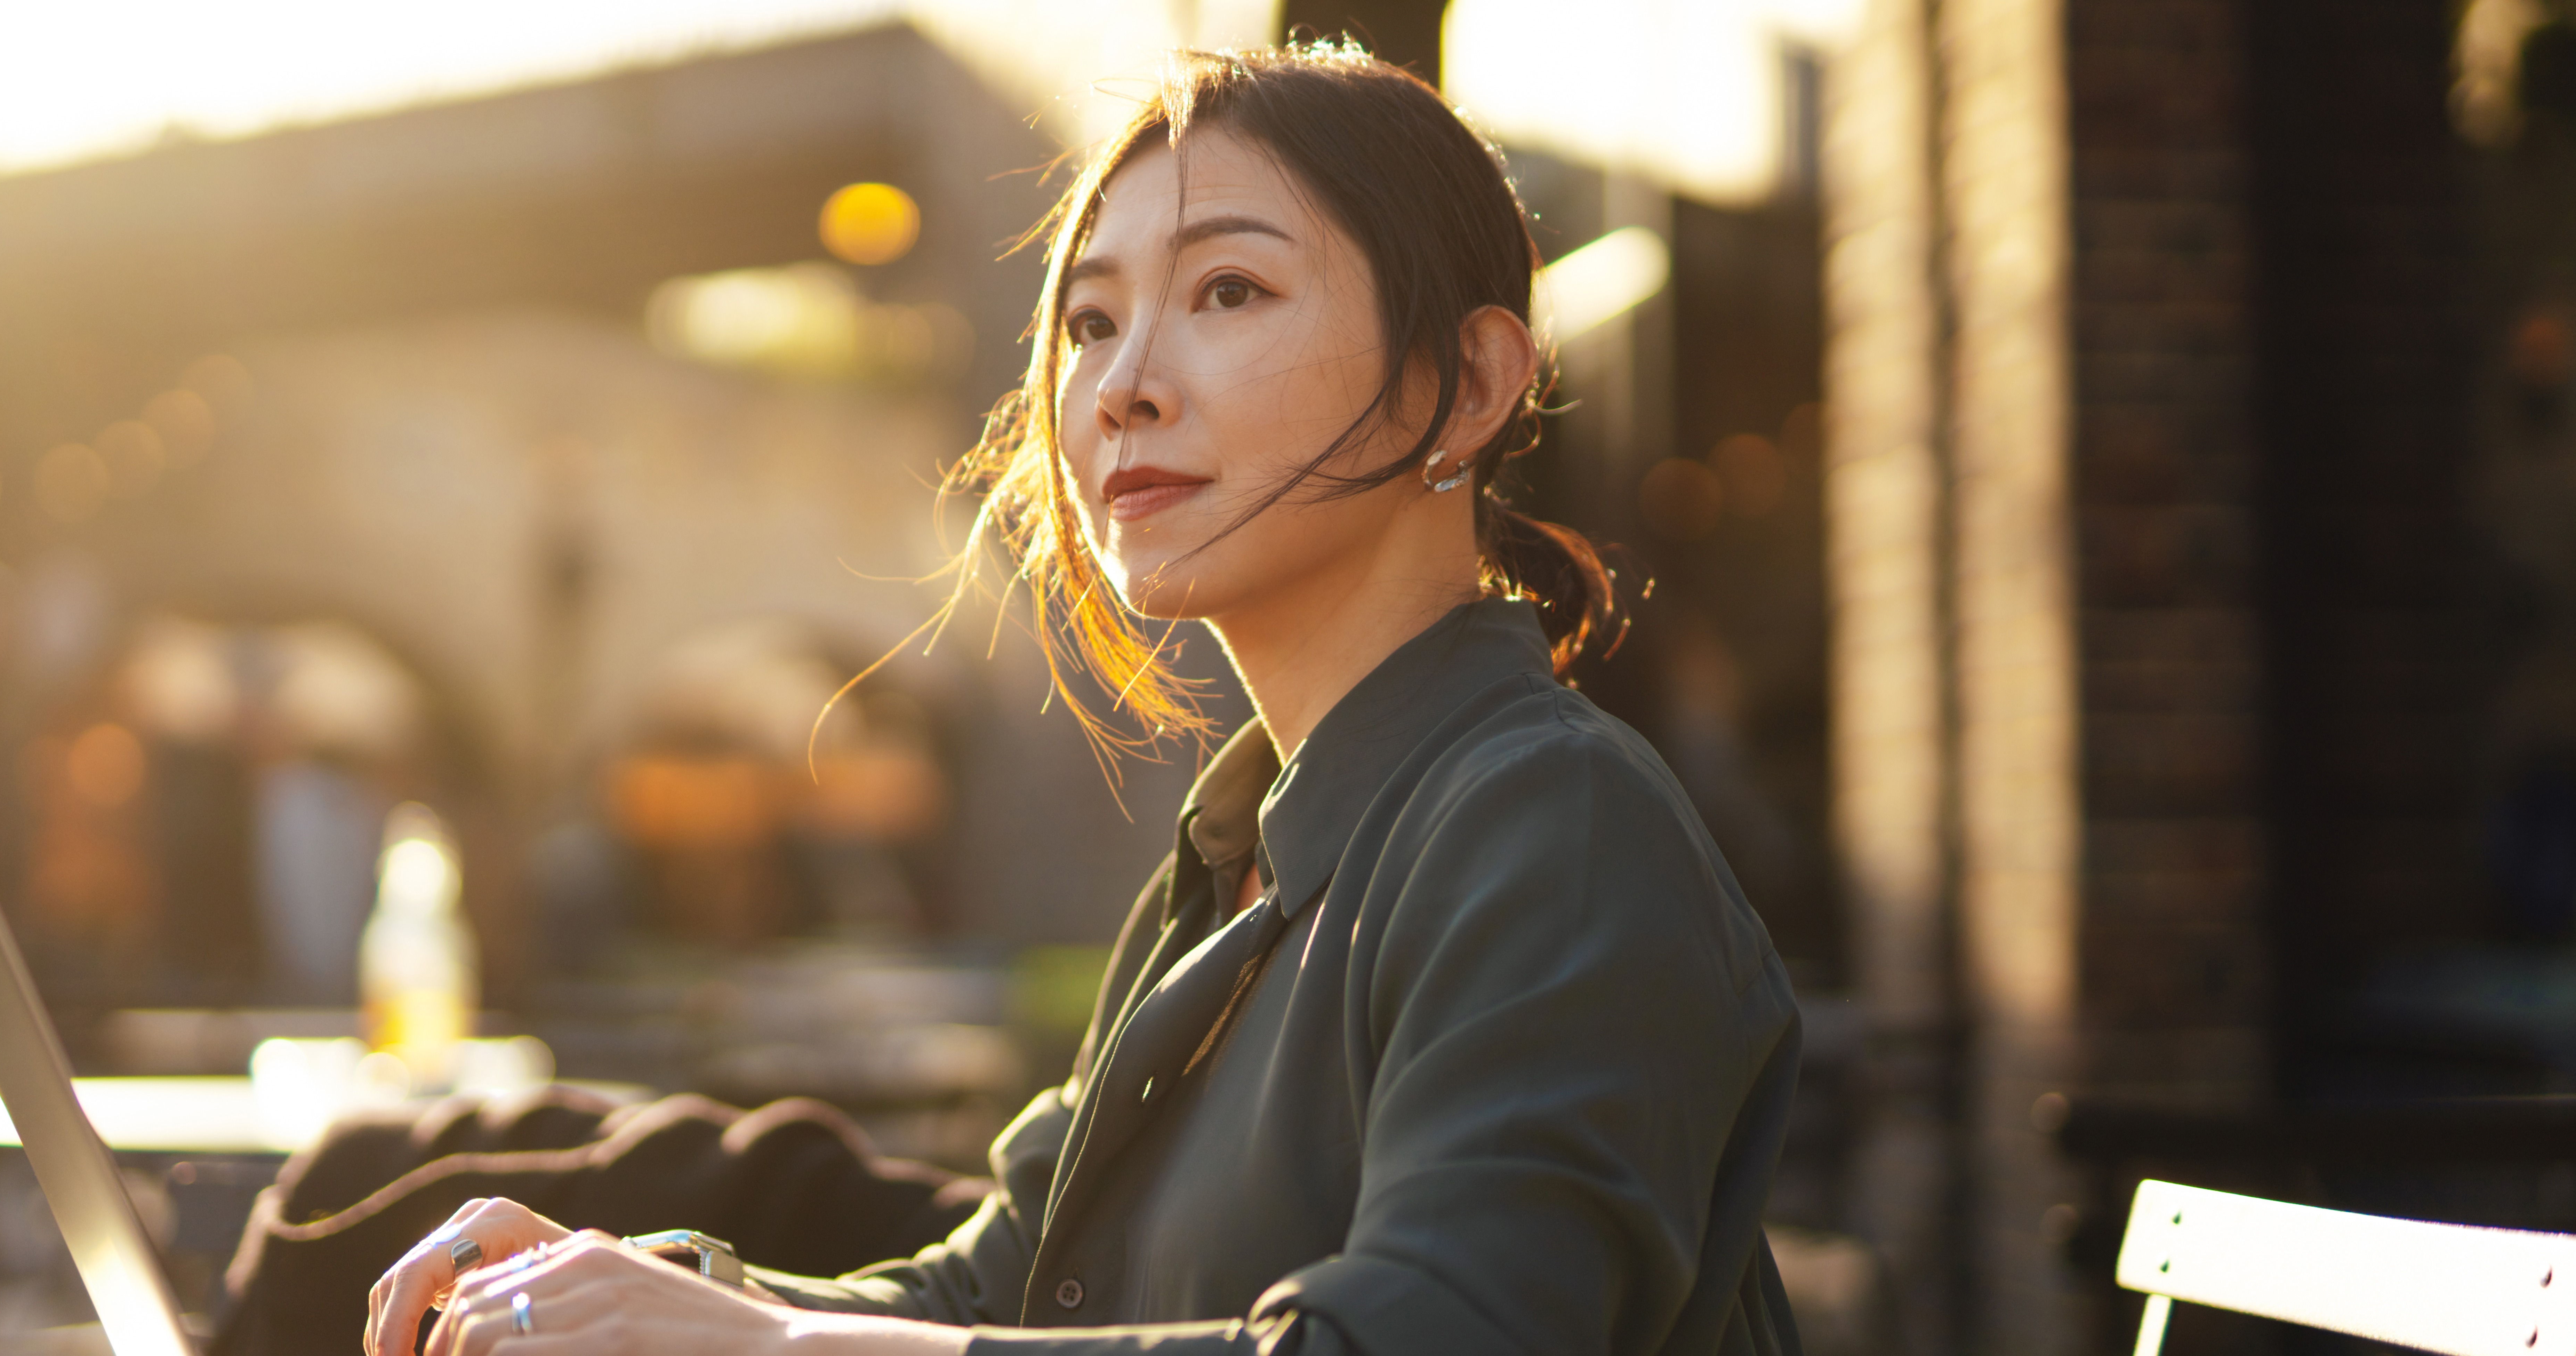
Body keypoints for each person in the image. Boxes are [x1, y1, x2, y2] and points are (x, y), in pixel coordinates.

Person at [366, 41, 1801, 1356]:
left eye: (1226, 291)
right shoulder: (1234, 866)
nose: (1120, 387)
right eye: (1089, 321)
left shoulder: (1549, 826)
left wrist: (772, 1351)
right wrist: (645, 1283)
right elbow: (990, 1293)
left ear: (1466, 380)